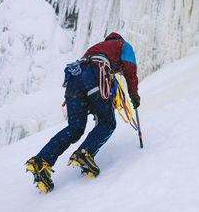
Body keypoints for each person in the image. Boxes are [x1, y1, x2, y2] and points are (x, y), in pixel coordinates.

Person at [25, 32, 140, 192]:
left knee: (75, 128)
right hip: (94, 75)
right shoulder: (123, 45)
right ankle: (85, 153)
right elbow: (130, 69)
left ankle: (41, 161)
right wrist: (133, 93)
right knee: (107, 122)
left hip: (75, 78)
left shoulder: (96, 48)